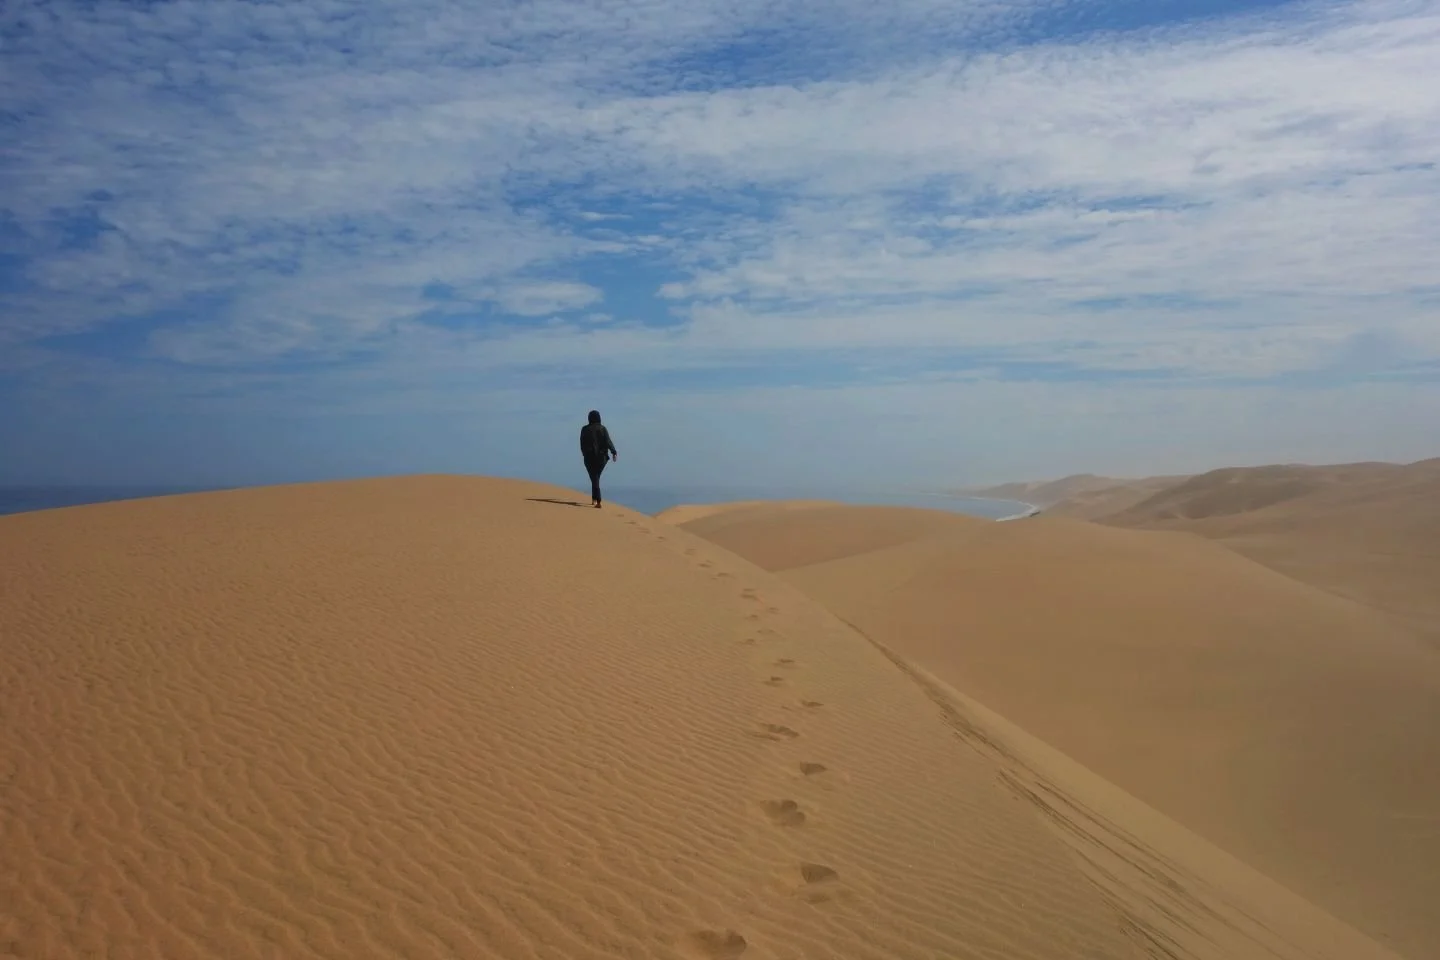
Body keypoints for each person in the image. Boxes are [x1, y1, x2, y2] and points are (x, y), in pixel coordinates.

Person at [580, 409, 618, 508]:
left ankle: (598, 500)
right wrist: (614, 452)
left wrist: (584, 453)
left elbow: (582, 443)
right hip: (601, 458)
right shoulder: (602, 428)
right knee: (595, 477)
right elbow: (608, 441)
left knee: (594, 477)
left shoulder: (585, 429)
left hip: (589, 458)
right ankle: (594, 499)